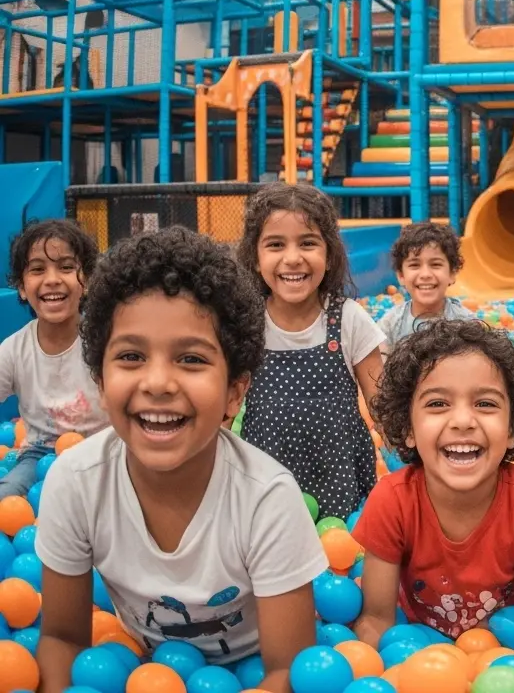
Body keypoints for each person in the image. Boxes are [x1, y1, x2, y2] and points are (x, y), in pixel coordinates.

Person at [34, 226, 326, 692]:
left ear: (236, 391)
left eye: (191, 360)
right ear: (100, 382)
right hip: (136, 667)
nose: (158, 382)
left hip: (248, 667)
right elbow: (62, 639)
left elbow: (286, 672)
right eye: (130, 356)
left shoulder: (266, 497)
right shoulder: (74, 481)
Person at [352, 320, 514, 682]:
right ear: (408, 429)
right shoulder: (391, 500)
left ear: (513, 427)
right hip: (419, 647)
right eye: (438, 403)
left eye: (485, 403)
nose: (462, 421)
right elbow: (377, 619)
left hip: (505, 656)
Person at [237, 183, 384, 521]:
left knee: (338, 555)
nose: (293, 258)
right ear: (255, 258)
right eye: (275, 245)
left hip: (339, 479)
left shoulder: (348, 319)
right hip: (266, 480)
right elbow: (223, 412)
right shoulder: (248, 323)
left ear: (329, 255)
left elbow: (383, 408)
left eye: (308, 243)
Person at [0, 219, 106, 499]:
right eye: (37, 269)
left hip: (101, 450)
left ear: (86, 281)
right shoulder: (14, 350)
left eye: (67, 267)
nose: (52, 279)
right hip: (40, 454)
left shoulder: (103, 341)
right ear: (21, 287)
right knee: (7, 498)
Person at [378, 221, 475, 349]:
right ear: (401, 276)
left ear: (452, 273)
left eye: (435, 264)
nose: (425, 274)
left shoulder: (465, 323)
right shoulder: (390, 324)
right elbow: (380, 365)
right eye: (414, 265)